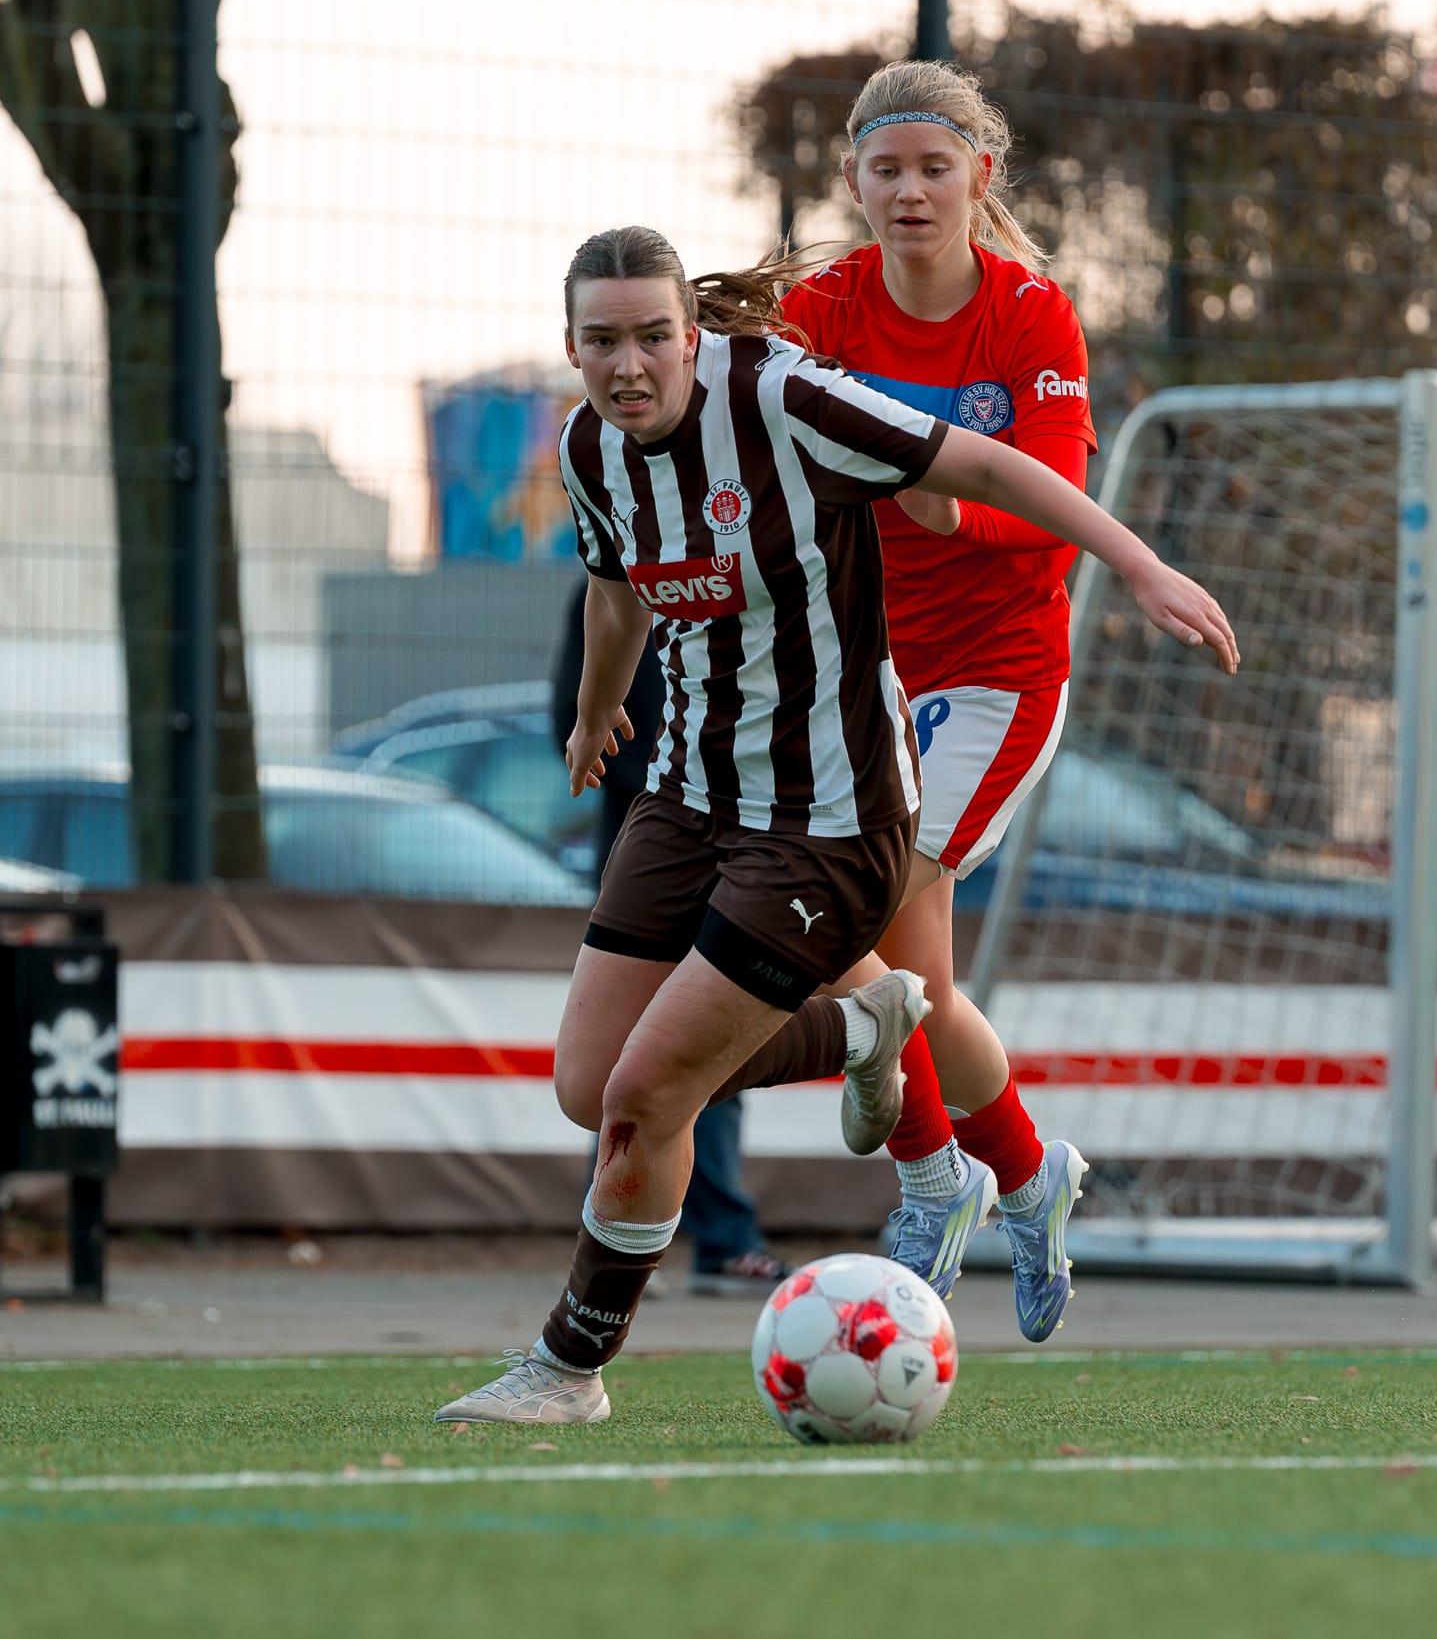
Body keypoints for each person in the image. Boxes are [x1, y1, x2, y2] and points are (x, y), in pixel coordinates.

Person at [435, 222, 1234, 1427]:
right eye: (602, 342)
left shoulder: (785, 399)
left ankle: (566, 1368)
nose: (630, 365)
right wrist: (599, 718)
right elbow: (612, 593)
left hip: (826, 819)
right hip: (684, 794)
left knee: (651, 1097)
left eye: (654, 336)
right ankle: (863, 1029)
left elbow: (988, 465)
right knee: (590, 1086)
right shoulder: (591, 447)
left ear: (691, 335)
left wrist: (1135, 563)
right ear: (572, 349)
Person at [781, 60, 1109, 1339]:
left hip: (996, 677)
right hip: (867, 672)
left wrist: (941, 503)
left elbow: (1054, 515)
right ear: (855, 182)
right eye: (884, 168)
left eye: (934, 166)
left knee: (865, 911)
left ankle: (932, 1182)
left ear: (983, 173)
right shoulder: (821, 309)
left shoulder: (1031, 315)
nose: (909, 190)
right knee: (915, 982)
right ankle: (1027, 1176)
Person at [553, 580, 787, 1297]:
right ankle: (645, 1232)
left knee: (707, 1031)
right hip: (652, 844)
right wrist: (673, 787)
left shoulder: (745, 566)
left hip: (743, 839)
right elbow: (578, 715)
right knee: (624, 1057)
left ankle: (693, 1236)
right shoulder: (611, 579)